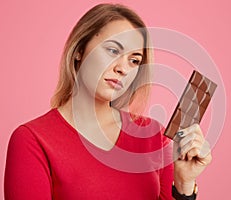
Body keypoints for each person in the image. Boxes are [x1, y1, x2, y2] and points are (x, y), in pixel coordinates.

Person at [4, 3, 212, 200]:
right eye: (113, 50)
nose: (123, 68)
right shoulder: (33, 140)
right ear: (79, 50)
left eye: (134, 60)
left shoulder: (154, 137)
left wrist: (184, 184)